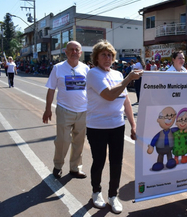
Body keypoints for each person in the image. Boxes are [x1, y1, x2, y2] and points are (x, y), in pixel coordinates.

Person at [86, 39, 142, 214]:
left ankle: (113, 195)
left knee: (116, 162)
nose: (107, 58)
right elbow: (109, 95)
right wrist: (128, 79)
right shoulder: (93, 74)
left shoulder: (117, 75)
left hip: (117, 125)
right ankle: (96, 192)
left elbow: (126, 102)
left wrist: (133, 125)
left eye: (110, 55)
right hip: (97, 126)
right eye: (103, 54)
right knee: (99, 161)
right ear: (96, 57)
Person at [42, 41, 89, 180]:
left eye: (77, 50)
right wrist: (47, 109)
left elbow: (91, 91)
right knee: (62, 140)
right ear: (66, 52)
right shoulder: (58, 68)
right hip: (64, 110)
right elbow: (51, 89)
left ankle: (75, 168)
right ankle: (58, 166)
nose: (74, 52)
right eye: (71, 50)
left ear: (80, 53)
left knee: (79, 142)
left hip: (83, 111)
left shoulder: (86, 69)